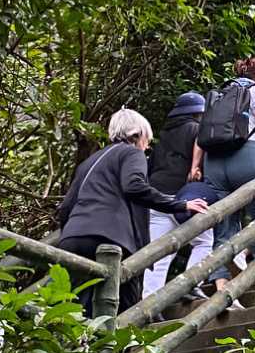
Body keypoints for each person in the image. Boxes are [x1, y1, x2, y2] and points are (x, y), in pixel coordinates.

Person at [54, 109, 207, 315]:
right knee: (124, 306)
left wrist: (71, 232)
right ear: (137, 135)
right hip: (109, 239)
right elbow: (134, 186)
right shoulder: (131, 153)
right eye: (147, 140)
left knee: (79, 307)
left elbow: (66, 206)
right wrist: (179, 205)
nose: (147, 146)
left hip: (73, 238)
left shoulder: (89, 162)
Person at [196, 60, 255, 288]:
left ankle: (223, 291)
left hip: (213, 163)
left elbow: (200, 137)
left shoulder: (219, 95)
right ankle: (242, 251)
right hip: (248, 157)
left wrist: (195, 166)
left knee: (223, 229)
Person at [141, 93, 211, 300]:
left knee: (159, 255)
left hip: (156, 196)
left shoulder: (164, 135)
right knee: (204, 241)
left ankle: (149, 302)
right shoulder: (197, 130)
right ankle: (190, 284)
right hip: (183, 197)